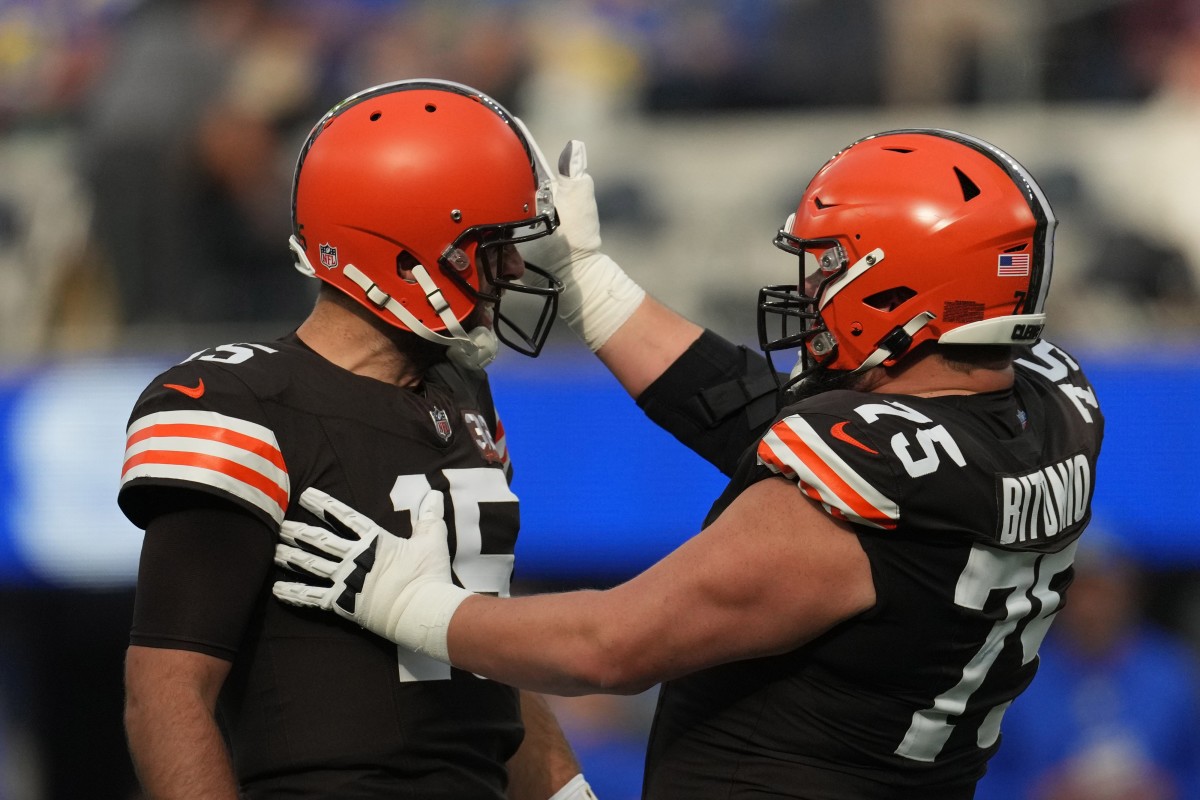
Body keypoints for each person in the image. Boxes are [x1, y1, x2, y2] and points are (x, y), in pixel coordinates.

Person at [270, 128, 1105, 799]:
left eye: (831, 267)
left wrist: (398, 597)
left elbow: (607, 648)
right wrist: (592, 284)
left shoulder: (866, 481)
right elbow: (756, 409)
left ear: (898, 288)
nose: (812, 291)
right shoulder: (1048, 410)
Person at [118, 79, 599, 800]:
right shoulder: (242, 402)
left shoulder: (462, 394)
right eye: (488, 246)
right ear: (400, 253)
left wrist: (567, 793)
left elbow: (486, 649)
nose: (512, 270)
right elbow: (165, 695)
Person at [975, 535, 1200, 800]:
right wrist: (1039, 792)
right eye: (1083, 592)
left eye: (1104, 592)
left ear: (1131, 594)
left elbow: (1192, 769)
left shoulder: (1173, 673)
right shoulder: (1017, 678)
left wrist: (1166, 790)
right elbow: (980, 779)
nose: (1093, 609)